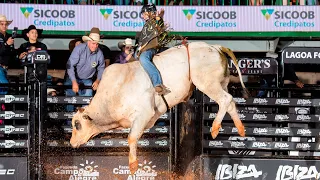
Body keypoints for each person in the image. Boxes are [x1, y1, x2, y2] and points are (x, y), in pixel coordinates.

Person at [64, 27, 105, 111]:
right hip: (73, 77)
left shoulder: (99, 53)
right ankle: (68, 120)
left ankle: (84, 121)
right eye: (93, 43)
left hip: (87, 79)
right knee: (70, 98)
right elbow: (70, 65)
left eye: (97, 44)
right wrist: (74, 81)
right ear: (89, 42)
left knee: (87, 100)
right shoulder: (79, 49)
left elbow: (101, 68)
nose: (95, 46)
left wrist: (97, 80)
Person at [136, 3, 170, 96]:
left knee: (143, 58)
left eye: (144, 13)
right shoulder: (147, 24)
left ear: (149, 13)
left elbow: (159, 24)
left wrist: (160, 17)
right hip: (145, 48)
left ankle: (157, 83)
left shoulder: (154, 21)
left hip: (151, 48)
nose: (142, 15)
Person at [0, 14, 15, 95]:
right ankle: (2, 106)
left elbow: (11, 52)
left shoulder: (10, 36)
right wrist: (6, 44)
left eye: (5, 24)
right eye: (2, 24)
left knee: (3, 89)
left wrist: (18, 55)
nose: (4, 26)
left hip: (6, 67)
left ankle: (2, 106)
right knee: (4, 86)